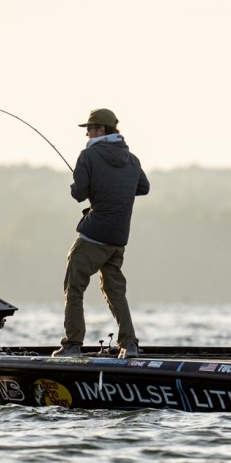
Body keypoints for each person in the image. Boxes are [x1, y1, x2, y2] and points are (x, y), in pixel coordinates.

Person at [53, 107, 150, 358]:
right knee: (116, 292)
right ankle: (129, 344)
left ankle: (72, 345)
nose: (86, 134)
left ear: (101, 130)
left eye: (89, 129)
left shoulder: (88, 156)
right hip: (118, 238)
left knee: (74, 288)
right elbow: (143, 187)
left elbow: (79, 194)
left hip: (93, 235)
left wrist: (78, 183)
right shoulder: (132, 159)